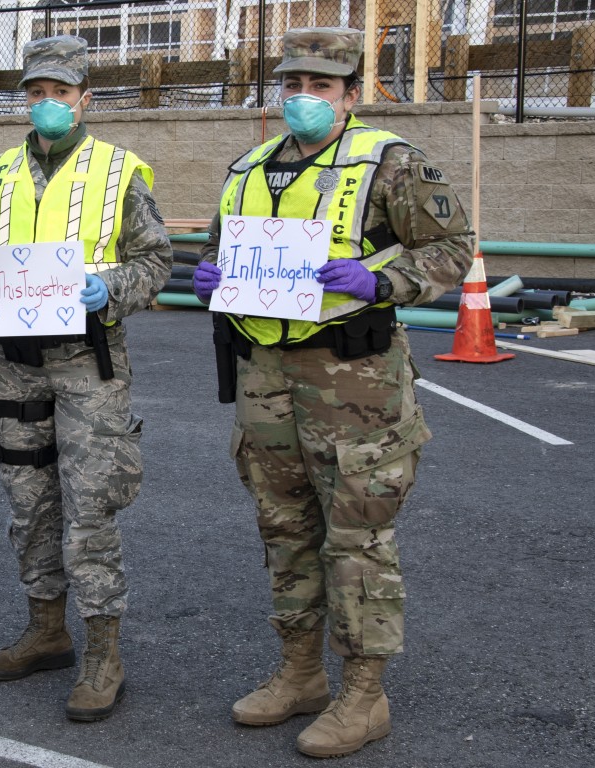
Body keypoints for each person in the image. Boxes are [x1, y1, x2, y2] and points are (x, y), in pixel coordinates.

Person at [192, 27, 473, 757]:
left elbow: (452, 250)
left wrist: (380, 281)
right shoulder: (250, 166)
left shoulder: (392, 164)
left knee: (356, 538)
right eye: (292, 84)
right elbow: (219, 248)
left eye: (321, 86)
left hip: (354, 382)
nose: (303, 98)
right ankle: (300, 675)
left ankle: (364, 696)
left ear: (351, 95)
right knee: (284, 532)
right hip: (265, 377)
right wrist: (209, 277)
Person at [0, 35, 172, 722]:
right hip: (12, 363)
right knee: (29, 503)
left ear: (84, 99)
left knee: (91, 504)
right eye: (36, 93)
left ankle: (104, 652)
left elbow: (157, 261)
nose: (47, 104)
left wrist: (114, 287)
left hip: (86, 364)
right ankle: (47, 630)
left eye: (60, 93)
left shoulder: (119, 171)